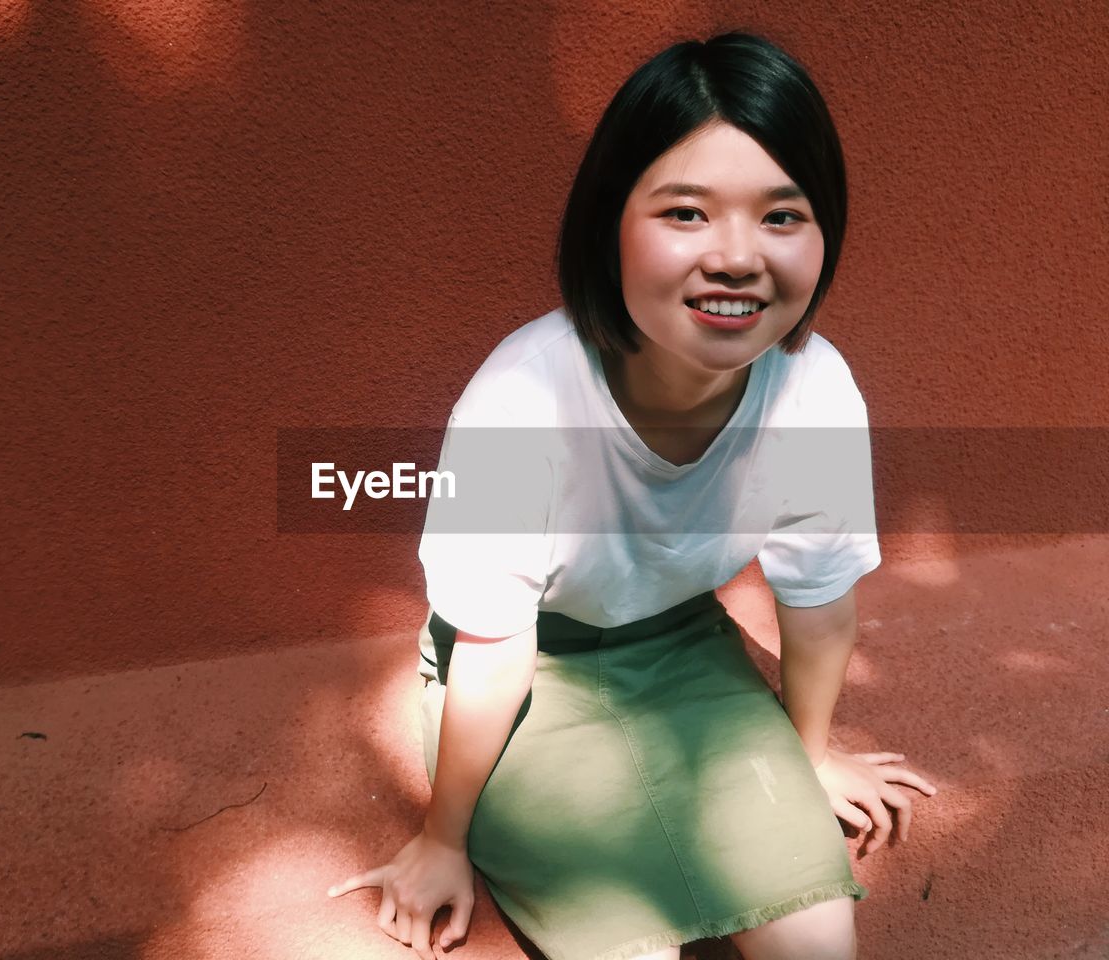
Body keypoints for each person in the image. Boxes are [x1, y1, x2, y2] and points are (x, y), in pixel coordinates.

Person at [329, 32, 937, 960]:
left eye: (783, 217)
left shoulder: (813, 390)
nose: (737, 258)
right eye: (686, 213)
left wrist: (807, 757)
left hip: (686, 646)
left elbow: (818, 609)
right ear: (610, 223)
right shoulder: (522, 400)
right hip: (528, 669)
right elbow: (495, 654)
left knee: (817, 942)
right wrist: (440, 839)